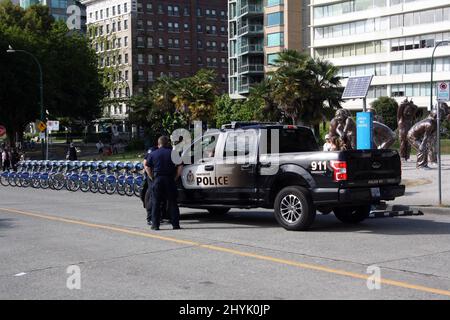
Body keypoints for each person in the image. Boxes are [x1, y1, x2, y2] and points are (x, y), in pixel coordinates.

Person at [146, 136, 182, 230]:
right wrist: (176, 177)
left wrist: (152, 177)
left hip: (158, 179)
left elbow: (147, 167)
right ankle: (175, 225)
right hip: (169, 179)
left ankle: (155, 225)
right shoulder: (173, 153)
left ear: (158, 144)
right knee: (173, 202)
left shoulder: (153, 154)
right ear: (167, 144)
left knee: (156, 202)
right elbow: (180, 166)